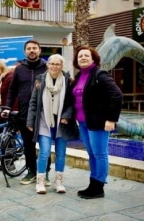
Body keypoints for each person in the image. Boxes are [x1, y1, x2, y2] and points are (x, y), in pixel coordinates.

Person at [71, 46, 122, 199]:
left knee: (100, 154)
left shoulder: (100, 74)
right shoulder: (79, 76)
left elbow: (116, 95)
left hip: (98, 122)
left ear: (93, 59)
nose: (83, 58)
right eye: (80, 56)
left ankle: (99, 187)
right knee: (92, 154)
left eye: (87, 55)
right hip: (83, 122)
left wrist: (111, 119)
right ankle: (93, 184)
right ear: (76, 60)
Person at [27, 54, 78, 194]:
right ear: (48, 65)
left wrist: (66, 116)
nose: (54, 66)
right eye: (52, 63)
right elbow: (33, 103)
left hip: (61, 123)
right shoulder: (40, 80)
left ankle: (59, 182)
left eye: (58, 64)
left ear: (62, 66)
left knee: (61, 154)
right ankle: (40, 182)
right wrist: (30, 122)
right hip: (44, 121)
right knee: (44, 153)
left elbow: (71, 103)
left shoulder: (69, 81)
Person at [3, 40, 52, 185]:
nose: (32, 51)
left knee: (45, 145)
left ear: (39, 50)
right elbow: (12, 90)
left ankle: (45, 172)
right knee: (28, 145)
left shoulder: (47, 67)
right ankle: (31, 172)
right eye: (29, 48)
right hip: (24, 113)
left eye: (34, 48)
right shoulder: (19, 69)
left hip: (44, 113)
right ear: (25, 52)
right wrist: (8, 107)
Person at [0, 60, 18, 171]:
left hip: (8, 113)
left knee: (9, 140)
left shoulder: (8, 77)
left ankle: (10, 163)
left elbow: (14, 96)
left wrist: (13, 111)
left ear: (2, 68)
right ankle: (4, 163)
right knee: (2, 139)